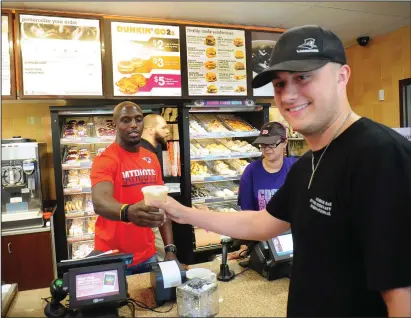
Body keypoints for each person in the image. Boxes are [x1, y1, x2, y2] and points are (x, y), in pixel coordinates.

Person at [153, 25, 411, 317]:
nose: (288, 95)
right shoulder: (306, 165)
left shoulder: (380, 155)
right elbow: (262, 223)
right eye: (279, 84)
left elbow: (402, 294)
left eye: (303, 77)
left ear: (342, 77)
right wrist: (182, 213)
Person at [90, 101, 177, 275]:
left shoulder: (151, 158)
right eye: (126, 120)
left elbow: (162, 205)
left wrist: (169, 249)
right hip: (113, 258)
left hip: (148, 256)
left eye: (138, 119)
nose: (133, 125)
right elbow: (100, 202)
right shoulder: (106, 160)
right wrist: (128, 212)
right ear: (115, 124)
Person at [229, 121, 297, 259]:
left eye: (272, 144)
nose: (267, 149)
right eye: (263, 144)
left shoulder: (296, 168)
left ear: (285, 142)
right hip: (262, 244)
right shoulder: (251, 172)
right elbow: (247, 215)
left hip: (292, 240)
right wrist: (245, 248)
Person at [141, 114, 171, 261]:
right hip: (149, 217)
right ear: (151, 129)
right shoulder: (144, 153)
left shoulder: (152, 151)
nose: (168, 131)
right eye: (164, 127)